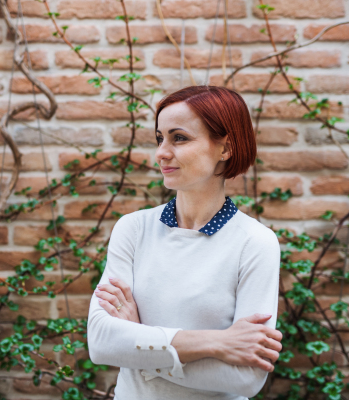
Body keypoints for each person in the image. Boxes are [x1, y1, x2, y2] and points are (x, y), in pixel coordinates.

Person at [86, 85, 283, 399]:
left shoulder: (255, 243)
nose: (162, 152)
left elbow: (247, 377)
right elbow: (100, 343)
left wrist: (140, 348)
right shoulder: (134, 229)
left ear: (226, 149)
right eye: (159, 138)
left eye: (179, 138)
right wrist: (215, 343)